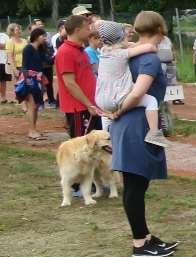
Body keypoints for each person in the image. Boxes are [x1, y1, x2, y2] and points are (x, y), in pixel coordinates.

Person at [108, 11, 180, 257]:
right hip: (135, 124)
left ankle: (146, 236)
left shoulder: (127, 51)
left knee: (136, 183)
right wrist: (119, 111)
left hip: (129, 123)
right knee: (136, 185)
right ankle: (140, 244)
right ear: (160, 28)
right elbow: (138, 93)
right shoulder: (148, 58)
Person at [95, 20, 171, 148]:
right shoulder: (122, 54)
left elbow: (126, 45)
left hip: (101, 99)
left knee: (108, 116)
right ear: (120, 38)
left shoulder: (104, 52)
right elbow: (149, 47)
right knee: (151, 101)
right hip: (118, 97)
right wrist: (151, 47)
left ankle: (107, 137)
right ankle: (154, 134)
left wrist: (130, 44)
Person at [55, 15, 104, 139]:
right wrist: (88, 104)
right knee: (80, 146)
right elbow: (70, 83)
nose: (89, 32)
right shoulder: (66, 51)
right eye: (87, 29)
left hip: (90, 106)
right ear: (77, 30)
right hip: (79, 108)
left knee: (94, 146)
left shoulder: (80, 50)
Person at [17, 29, 50, 140]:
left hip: (38, 78)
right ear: (36, 36)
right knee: (32, 106)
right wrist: (26, 80)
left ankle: (34, 129)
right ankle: (31, 131)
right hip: (29, 79)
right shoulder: (28, 48)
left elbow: (47, 61)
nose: (44, 38)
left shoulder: (41, 49)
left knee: (36, 106)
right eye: (43, 36)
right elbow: (24, 65)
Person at [0, 29, 10, 103]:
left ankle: (3, 97)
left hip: (2, 61)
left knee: (2, 80)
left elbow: (8, 46)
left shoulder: (4, 36)